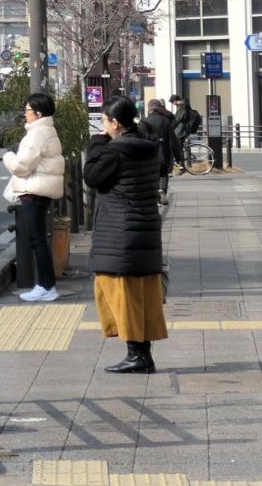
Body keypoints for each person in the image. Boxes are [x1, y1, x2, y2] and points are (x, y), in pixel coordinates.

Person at [85, 95, 167, 373]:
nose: (104, 126)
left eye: (105, 121)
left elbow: (92, 177)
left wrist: (97, 142)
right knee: (142, 294)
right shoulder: (149, 147)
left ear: (116, 123)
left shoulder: (116, 151)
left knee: (120, 292)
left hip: (120, 230)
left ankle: (137, 355)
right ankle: (142, 354)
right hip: (144, 228)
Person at [4, 91, 65, 302]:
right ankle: (46, 285)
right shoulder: (47, 130)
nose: (25, 113)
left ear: (38, 113)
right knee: (39, 239)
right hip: (40, 190)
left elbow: (22, 166)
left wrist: (8, 156)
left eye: (28, 110)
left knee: (37, 240)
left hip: (34, 191)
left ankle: (46, 286)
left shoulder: (37, 134)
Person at [140, 98, 175, 203]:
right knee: (163, 173)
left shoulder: (144, 122)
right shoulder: (165, 121)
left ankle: (153, 193)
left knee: (151, 173)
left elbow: (140, 139)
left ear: (149, 109)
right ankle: (162, 191)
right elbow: (173, 140)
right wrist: (178, 157)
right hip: (163, 153)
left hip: (148, 154)